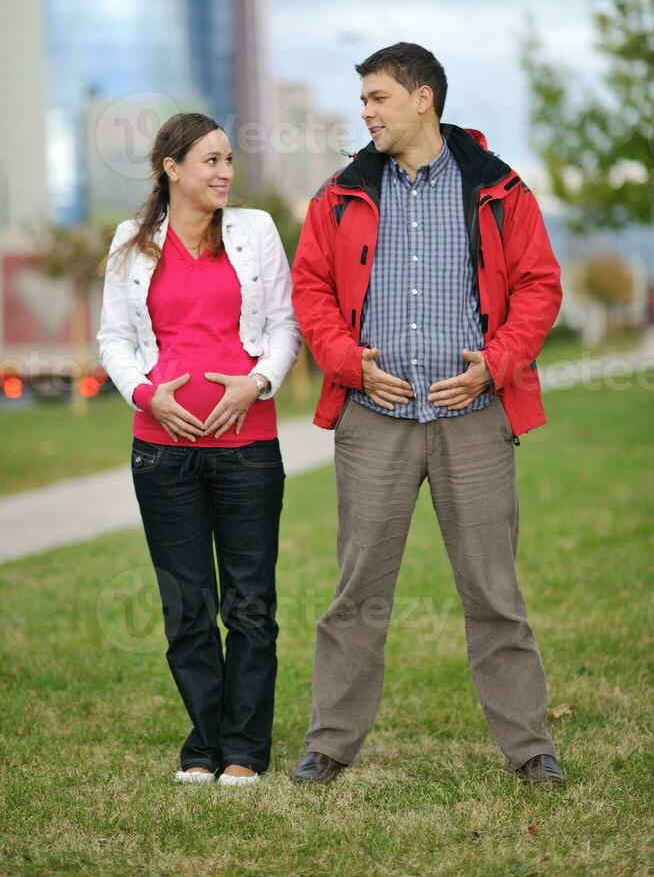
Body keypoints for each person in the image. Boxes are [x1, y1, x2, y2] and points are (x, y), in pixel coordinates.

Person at [290, 43, 565, 787]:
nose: (366, 113)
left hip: (473, 418)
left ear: (423, 100)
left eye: (378, 98)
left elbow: (540, 287)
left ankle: (530, 748)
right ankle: (329, 744)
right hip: (373, 418)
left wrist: (497, 361)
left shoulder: (500, 189)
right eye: (363, 101)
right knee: (356, 593)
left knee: (492, 591)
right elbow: (309, 289)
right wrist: (348, 363)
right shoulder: (339, 194)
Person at [98, 112, 301, 786]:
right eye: (209, 161)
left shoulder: (257, 231)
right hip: (162, 452)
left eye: (227, 160)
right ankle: (204, 744)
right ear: (171, 168)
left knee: (248, 604)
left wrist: (256, 383)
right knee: (186, 607)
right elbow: (114, 341)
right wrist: (146, 394)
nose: (224, 172)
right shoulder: (131, 243)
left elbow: (283, 327)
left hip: (248, 447)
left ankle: (243, 751)